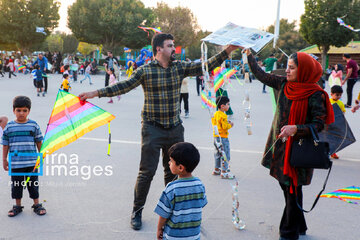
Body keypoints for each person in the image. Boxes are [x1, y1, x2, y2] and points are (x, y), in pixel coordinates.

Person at [78, 33, 239, 230]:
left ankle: (169, 210)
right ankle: (137, 211)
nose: (174, 49)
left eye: (174, 45)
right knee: (146, 172)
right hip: (152, 129)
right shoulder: (145, 71)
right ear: (159, 49)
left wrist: (228, 50)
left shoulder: (179, 68)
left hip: (175, 129)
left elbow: (204, 66)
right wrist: (95, 93)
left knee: (172, 171)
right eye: (170, 46)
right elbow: (123, 86)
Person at [245, 48, 334, 240]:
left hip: (299, 148)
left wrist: (296, 128)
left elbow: (319, 123)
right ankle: (299, 225)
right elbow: (261, 75)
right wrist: (249, 56)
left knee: (292, 188)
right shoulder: (284, 84)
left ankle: (288, 232)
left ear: (303, 71)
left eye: (292, 68)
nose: (287, 71)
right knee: (288, 187)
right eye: (287, 67)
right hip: (281, 147)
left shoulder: (315, 94)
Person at [2, 96, 46, 217]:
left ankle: (36, 204)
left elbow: (39, 142)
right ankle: (17, 206)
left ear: (29, 111)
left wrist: (41, 155)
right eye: (18, 110)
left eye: (25, 110)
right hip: (16, 164)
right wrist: (4, 160)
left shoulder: (33, 125)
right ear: (13, 110)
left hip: (32, 163)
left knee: (33, 184)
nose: (21, 113)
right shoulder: (9, 127)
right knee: (17, 185)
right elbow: (5, 145)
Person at [154, 142, 207, 240]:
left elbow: (163, 214)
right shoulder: (199, 185)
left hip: (173, 236)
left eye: (171, 161)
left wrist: (159, 229)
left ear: (180, 167)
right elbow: (202, 204)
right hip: (193, 236)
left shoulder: (171, 188)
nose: (169, 163)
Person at [212, 96, 234, 179]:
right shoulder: (223, 116)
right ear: (222, 106)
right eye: (228, 104)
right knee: (225, 154)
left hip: (216, 137)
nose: (229, 106)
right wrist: (230, 125)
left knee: (217, 153)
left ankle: (216, 169)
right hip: (223, 138)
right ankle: (224, 172)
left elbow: (217, 124)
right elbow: (224, 126)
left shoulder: (216, 114)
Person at [329, 85, 345, 159]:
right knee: (328, 138)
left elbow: (343, 112)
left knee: (335, 138)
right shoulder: (328, 101)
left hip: (336, 124)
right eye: (337, 95)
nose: (339, 96)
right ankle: (327, 152)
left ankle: (333, 152)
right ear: (331, 94)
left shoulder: (341, 103)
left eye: (340, 95)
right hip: (328, 124)